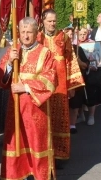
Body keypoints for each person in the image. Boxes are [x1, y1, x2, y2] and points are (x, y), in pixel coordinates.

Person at [0, 17, 57, 180]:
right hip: (15, 107)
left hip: (36, 109)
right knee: (16, 142)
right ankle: (16, 174)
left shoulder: (45, 53)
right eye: (22, 32)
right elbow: (1, 77)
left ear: (36, 33)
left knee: (36, 142)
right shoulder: (13, 51)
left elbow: (49, 80)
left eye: (29, 32)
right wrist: (9, 62)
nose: (26, 35)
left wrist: (25, 87)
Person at [37, 9, 84, 166]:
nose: (52, 24)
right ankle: (43, 155)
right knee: (43, 120)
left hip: (60, 86)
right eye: (49, 21)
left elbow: (70, 61)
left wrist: (71, 86)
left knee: (59, 120)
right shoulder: (37, 37)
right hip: (42, 85)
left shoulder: (63, 37)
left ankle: (58, 155)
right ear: (43, 21)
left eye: (54, 21)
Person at [73, 28, 101, 132]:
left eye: (84, 33)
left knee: (91, 94)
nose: (82, 35)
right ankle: (81, 115)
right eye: (80, 33)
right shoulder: (74, 44)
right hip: (78, 73)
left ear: (88, 33)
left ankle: (91, 116)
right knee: (79, 95)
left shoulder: (93, 43)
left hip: (91, 72)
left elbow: (98, 58)